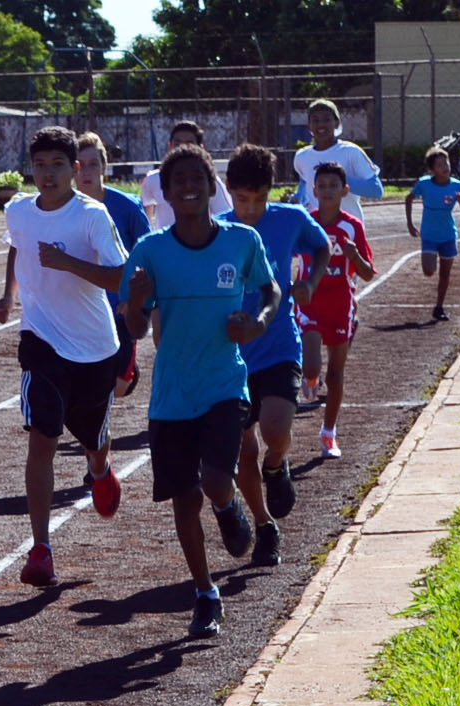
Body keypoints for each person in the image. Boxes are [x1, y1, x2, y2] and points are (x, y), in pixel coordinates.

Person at [119, 143, 277, 640]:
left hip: (224, 383)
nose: (187, 186)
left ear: (214, 187)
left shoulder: (241, 241)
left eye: (197, 177)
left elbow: (270, 291)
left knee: (213, 480)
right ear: (164, 193)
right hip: (171, 395)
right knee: (184, 499)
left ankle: (229, 506)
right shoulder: (150, 252)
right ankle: (206, 594)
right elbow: (137, 330)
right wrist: (138, 304)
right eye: (177, 180)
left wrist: (257, 323)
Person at [0, 126, 131, 584]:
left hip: (94, 349)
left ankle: (100, 467)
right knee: (43, 438)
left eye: (56, 165)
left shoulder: (91, 216)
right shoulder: (17, 210)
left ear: (74, 170)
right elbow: (17, 248)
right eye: (39, 165)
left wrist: (69, 263)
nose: (46, 174)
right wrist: (9, 296)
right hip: (41, 341)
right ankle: (41, 549)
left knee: (94, 438)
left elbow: (121, 278)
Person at [223, 143, 329, 567]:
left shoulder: (290, 220)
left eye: (260, 200)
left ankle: (278, 464)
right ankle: (265, 526)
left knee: (277, 429)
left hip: (280, 343)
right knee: (243, 452)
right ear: (228, 192)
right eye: (242, 200)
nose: (251, 210)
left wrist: (312, 281)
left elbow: (319, 248)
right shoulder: (217, 231)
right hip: (231, 357)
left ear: (272, 192)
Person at [291, 99, 384, 403]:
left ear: (337, 123)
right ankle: (312, 367)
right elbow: (306, 189)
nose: (321, 125)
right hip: (314, 231)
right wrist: (295, 202)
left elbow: (377, 189)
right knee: (310, 288)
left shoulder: (349, 152)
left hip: (346, 234)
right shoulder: (302, 158)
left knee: (341, 291)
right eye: (315, 120)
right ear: (308, 125)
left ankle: (345, 327)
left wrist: (343, 179)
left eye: (326, 120)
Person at [300, 161, 375, 461]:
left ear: (345, 191)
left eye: (334, 186)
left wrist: (354, 254)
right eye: (322, 186)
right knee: (312, 365)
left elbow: (368, 274)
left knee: (336, 372)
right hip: (311, 302)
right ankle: (309, 378)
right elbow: (284, 252)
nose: (327, 191)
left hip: (341, 305)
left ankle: (329, 432)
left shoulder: (351, 226)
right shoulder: (305, 221)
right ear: (313, 189)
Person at [75, 131, 150, 402]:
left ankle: (125, 374)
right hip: (80, 309)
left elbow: (146, 253)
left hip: (119, 308)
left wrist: (134, 300)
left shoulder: (127, 207)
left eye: (93, 164)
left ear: (104, 167)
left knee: (118, 384)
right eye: (80, 165)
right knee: (87, 382)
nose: (87, 172)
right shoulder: (65, 208)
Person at [407, 146, 460, 322]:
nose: (445, 167)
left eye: (446, 162)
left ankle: (439, 307)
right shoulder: (424, 184)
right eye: (440, 164)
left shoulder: (457, 185)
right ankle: (429, 260)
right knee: (428, 271)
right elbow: (409, 199)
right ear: (432, 169)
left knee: (445, 273)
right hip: (429, 234)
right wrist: (410, 224)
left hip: (449, 234)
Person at [139, 120, 233, 228]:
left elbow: (224, 218)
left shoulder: (210, 181)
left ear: (201, 149)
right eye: (177, 144)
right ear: (170, 147)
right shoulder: (153, 180)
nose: (182, 149)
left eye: (189, 144)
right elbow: (145, 211)